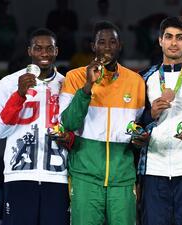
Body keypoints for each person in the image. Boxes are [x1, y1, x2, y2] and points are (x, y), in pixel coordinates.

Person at [59, 21, 145, 225]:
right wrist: (88, 86)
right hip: (85, 176)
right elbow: (68, 123)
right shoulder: (75, 77)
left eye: (112, 42)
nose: (107, 47)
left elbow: (138, 127)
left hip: (122, 179)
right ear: (93, 46)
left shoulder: (135, 82)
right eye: (102, 42)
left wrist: (140, 137)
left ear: (120, 45)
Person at [0, 28, 70, 225]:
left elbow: (76, 130)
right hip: (19, 174)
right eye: (38, 48)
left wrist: (68, 138)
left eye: (49, 48)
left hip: (58, 177)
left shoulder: (68, 85)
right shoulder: (8, 83)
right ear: (29, 51)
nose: (44, 53)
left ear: (57, 51)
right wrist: (19, 94)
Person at [137, 16, 182, 225]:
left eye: (179, 37)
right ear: (160, 40)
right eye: (168, 37)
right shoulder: (144, 78)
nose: (174, 42)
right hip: (153, 169)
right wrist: (151, 114)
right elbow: (133, 124)